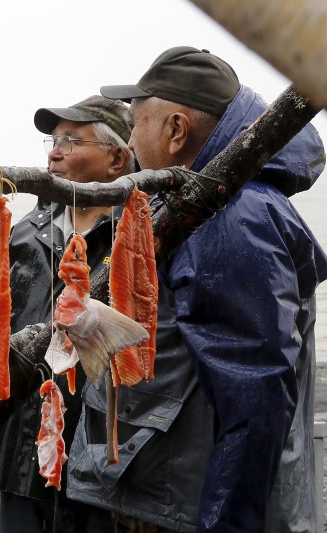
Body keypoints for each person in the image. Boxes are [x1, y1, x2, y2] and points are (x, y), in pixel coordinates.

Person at [67, 46, 327, 532]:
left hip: (187, 510)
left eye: (136, 123)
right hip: (174, 494)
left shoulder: (228, 218)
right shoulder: (202, 206)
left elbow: (255, 401)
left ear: (176, 131)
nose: (129, 140)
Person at [0, 95, 137, 532]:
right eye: (54, 140)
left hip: (106, 463)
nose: (54, 151)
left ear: (116, 158)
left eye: (72, 140)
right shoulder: (26, 235)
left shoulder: (141, 235)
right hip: (23, 456)